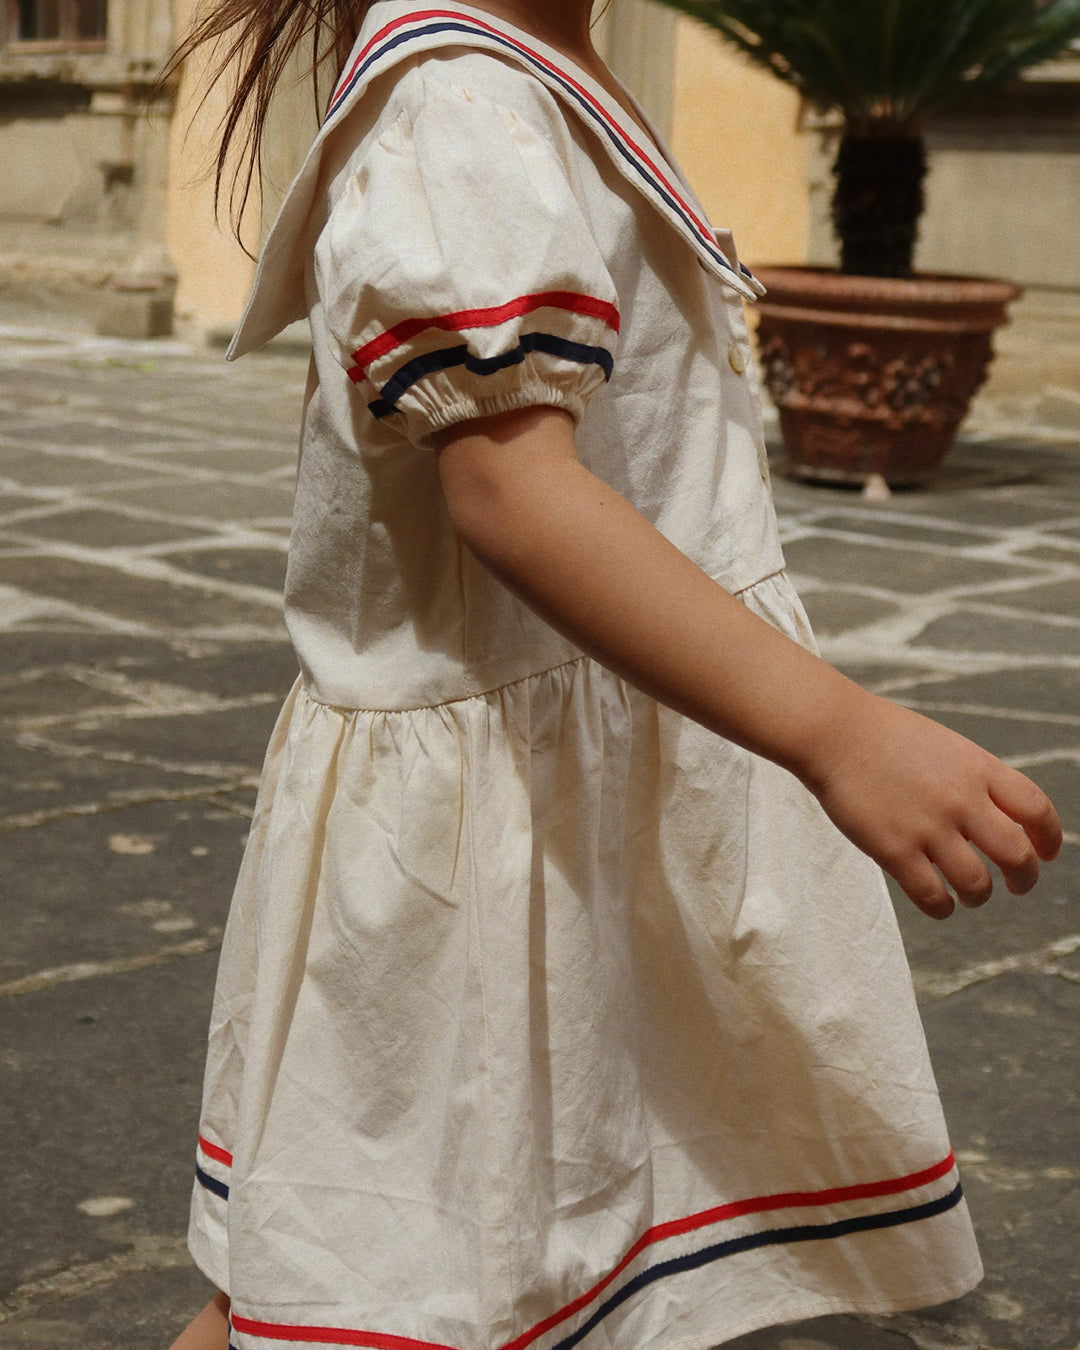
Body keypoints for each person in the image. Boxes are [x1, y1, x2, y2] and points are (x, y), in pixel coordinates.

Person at [168, 3, 1062, 1348]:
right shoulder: (462, 105)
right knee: (393, 1288)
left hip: (585, 798)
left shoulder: (542, 69)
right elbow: (514, 493)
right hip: (492, 840)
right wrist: (834, 730)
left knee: (459, 1274)